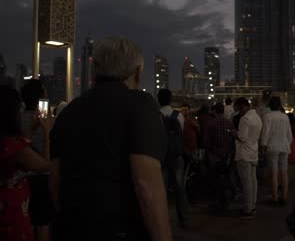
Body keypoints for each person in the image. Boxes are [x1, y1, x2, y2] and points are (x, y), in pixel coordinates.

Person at [50, 37, 172, 240]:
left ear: (94, 69)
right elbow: (145, 183)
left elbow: (54, 179)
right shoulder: (140, 105)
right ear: (138, 74)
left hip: (70, 227)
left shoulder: (68, 112)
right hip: (120, 228)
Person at [0, 85, 51, 241]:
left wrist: (31, 130)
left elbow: (24, 147)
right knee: (42, 223)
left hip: (7, 203)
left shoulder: (6, 142)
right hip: (13, 208)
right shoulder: (11, 145)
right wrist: (48, 131)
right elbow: (45, 164)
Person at [20, 79, 53, 241]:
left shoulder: (17, 119)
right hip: (43, 177)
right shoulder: (48, 120)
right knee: (42, 222)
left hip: (22, 177)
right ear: (41, 97)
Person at [157, 89, 190, 228]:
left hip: (161, 157)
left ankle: (161, 220)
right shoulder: (179, 116)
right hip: (177, 156)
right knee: (180, 188)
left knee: (160, 189)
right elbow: (180, 135)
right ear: (170, 99)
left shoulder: (155, 115)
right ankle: (183, 218)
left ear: (158, 100)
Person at [233, 97, 262, 218]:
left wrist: (234, 133)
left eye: (239, 109)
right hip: (253, 151)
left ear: (243, 106)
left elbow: (242, 137)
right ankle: (252, 205)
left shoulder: (245, 119)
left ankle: (247, 209)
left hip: (244, 154)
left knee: (246, 183)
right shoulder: (257, 117)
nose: (238, 111)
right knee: (253, 181)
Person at [261, 97, 293, 205]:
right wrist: (287, 144)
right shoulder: (285, 117)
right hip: (284, 146)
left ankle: (274, 197)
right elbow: (289, 135)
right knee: (284, 172)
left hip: (272, 147)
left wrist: (263, 145)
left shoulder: (267, 116)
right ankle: (284, 197)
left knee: (274, 173)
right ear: (279, 105)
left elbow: (265, 133)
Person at [205, 103, 236, 212]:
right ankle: (228, 199)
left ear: (215, 111)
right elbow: (234, 138)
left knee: (216, 180)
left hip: (215, 157)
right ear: (223, 111)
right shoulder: (229, 123)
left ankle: (218, 202)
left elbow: (207, 142)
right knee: (226, 178)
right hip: (227, 156)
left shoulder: (211, 123)